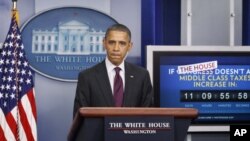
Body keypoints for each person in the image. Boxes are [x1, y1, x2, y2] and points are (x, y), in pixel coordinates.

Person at [73, 23, 154, 117]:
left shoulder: (142, 76)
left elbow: (148, 117)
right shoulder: (87, 77)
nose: (116, 48)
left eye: (122, 43)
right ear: (104, 43)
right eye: (112, 42)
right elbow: (79, 119)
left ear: (129, 46)